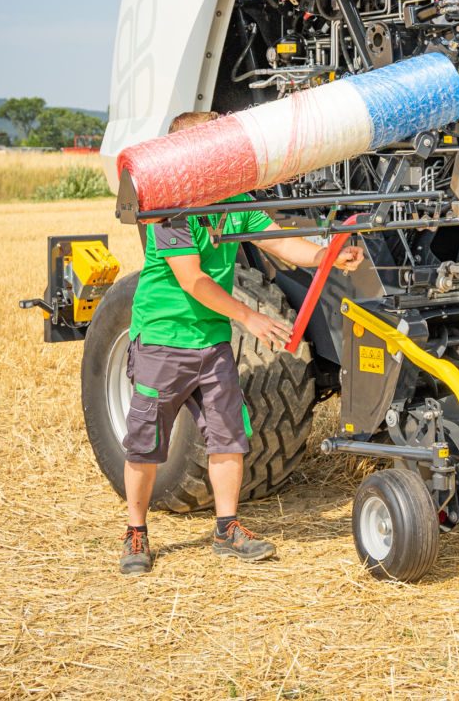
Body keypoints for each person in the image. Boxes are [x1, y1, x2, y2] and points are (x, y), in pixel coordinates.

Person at [119, 110, 365, 576]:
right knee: (146, 442)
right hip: (162, 341)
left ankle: (227, 529)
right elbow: (192, 280)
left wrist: (325, 257)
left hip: (211, 343)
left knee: (228, 437)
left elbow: (277, 241)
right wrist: (249, 316)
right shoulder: (168, 209)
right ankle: (136, 532)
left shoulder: (234, 201)